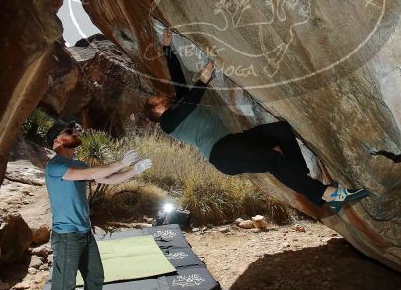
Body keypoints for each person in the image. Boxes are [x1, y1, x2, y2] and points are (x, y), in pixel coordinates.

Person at [145, 28, 369, 211]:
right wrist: (203, 79)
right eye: (155, 97)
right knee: (272, 160)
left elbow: (177, 78)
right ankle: (328, 195)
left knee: (280, 131)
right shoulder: (168, 124)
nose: (159, 94)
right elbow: (190, 103)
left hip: (233, 142)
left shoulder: (179, 104)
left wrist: (167, 47)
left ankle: (304, 179)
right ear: (156, 109)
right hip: (222, 154)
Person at [43, 120, 152, 290]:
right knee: (64, 289)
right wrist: (122, 162)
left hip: (84, 232)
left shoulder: (77, 164)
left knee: (95, 276)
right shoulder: (55, 167)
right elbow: (93, 173)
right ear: (57, 141)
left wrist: (136, 170)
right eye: (68, 132)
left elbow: (107, 179)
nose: (75, 133)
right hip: (66, 237)